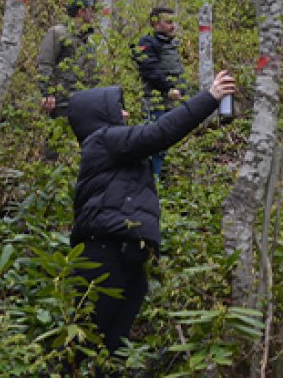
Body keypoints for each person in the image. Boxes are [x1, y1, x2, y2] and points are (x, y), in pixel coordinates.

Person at [66, 70, 237, 358]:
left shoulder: (115, 147)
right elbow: (159, 134)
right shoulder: (103, 140)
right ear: (99, 115)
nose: (125, 112)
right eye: (117, 108)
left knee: (112, 347)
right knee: (86, 346)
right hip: (105, 252)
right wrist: (210, 98)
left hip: (128, 251)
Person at [132, 6, 193, 177]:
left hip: (170, 105)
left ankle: (159, 178)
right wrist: (168, 89)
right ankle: (150, 180)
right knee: (153, 143)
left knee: (165, 143)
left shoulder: (169, 43)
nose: (172, 26)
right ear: (155, 23)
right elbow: (149, 70)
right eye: (168, 22)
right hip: (155, 103)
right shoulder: (147, 43)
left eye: (173, 22)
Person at [37, 0, 99, 119]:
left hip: (86, 102)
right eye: (91, 10)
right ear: (81, 12)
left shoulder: (89, 41)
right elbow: (45, 64)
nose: (93, 14)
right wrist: (47, 94)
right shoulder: (57, 33)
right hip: (62, 102)